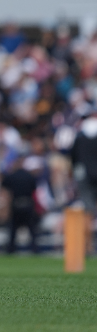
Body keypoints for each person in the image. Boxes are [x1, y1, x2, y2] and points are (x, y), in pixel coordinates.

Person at [70, 106, 97, 254]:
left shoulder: (80, 137)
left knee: (88, 212)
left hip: (85, 177)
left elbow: (73, 158)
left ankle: (88, 246)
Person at [1, 159, 39, 254]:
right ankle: (35, 249)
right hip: (28, 204)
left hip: (16, 205)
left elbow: (5, 190)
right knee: (32, 230)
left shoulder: (11, 176)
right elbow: (34, 191)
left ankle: (11, 250)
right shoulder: (29, 176)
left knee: (13, 230)